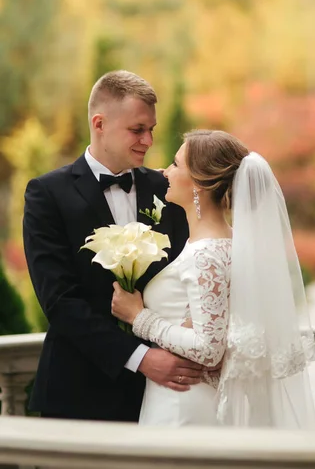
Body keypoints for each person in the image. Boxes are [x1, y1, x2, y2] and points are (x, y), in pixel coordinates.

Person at [23, 70, 203, 422]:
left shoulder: (167, 188)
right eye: (138, 129)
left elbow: (191, 275)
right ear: (100, 123)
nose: (148, 140)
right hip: (78, 390)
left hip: (165, 394)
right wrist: (141, 358)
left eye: (151, 129)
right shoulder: (46, 194)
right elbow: (60, 301)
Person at [112, 129, 315, 427]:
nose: (165, 171)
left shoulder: (205, 254)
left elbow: (209, 348)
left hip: (182, 403)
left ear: (199, 184)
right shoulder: (231, 244)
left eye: (176, 164)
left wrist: (139, 317)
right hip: (186, 396)